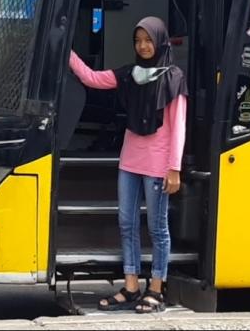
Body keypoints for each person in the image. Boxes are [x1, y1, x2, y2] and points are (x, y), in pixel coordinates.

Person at [68, 16, 187, 313]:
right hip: (130, 161)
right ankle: (131, 285)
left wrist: (174, 168)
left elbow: (179, 127)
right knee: (126, 224)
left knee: (158, 228)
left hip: (159, 165)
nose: (143, 46)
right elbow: (92, 78)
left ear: (159, 41)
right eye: (138, 41)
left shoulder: (173, 78)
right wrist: (63, 50)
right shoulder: (129, 74)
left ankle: (156, 289)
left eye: (148, 40)